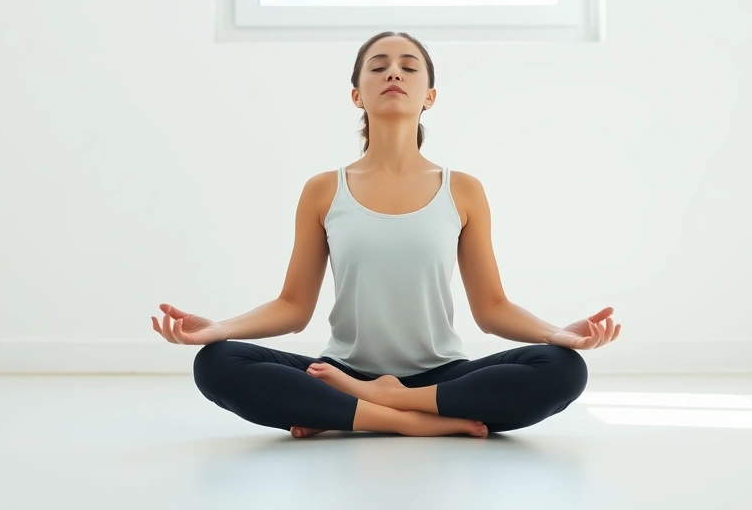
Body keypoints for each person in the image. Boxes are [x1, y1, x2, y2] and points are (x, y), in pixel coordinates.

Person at [151, 31, 621, 439]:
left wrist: (556, 333)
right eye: (378, 67)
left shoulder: (462, 190)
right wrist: (220, 329)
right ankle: (404, 418)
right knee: (215, 364)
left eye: (408, 67)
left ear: (429, 96)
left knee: (563, 370)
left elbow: (492, 309)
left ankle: (366, 410)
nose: (393, 73)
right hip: (340, 373)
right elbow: (293, 307)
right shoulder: (323, 190)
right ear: (357, 94)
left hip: (442, 375)